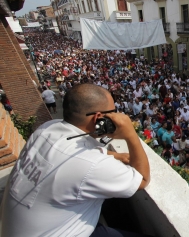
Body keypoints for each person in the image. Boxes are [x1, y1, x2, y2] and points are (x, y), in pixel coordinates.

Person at [0, 83, 150, 236]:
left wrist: (117, 156)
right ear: (99, 118)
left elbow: (81, 154)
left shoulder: (47, 129)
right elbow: (142, 179)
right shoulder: (91, 165)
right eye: (113, 113)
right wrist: (131, 134)